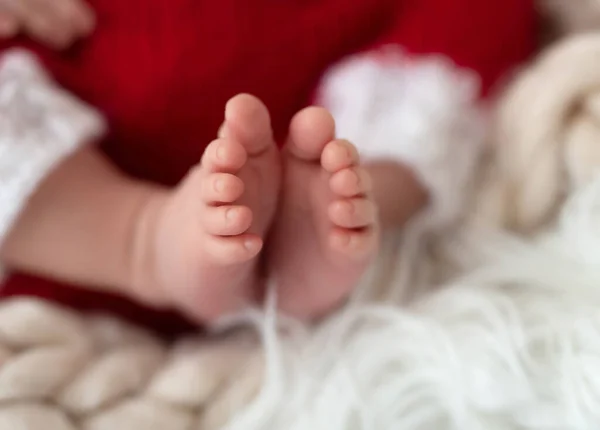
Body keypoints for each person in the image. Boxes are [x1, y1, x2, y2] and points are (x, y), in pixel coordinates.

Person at [0, 0, 535, 336]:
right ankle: (142, 240)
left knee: (475, 20)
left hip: (301, 127)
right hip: (61, 206)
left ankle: (326, 220)